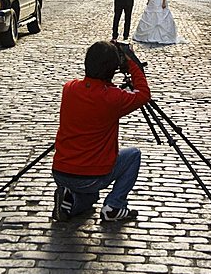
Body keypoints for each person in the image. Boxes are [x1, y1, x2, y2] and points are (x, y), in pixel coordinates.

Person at [52, 41, 151, 222]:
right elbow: (143, 94)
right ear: (112, 69)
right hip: (92, 177)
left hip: (61, 172)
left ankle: (69, 200)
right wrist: (131, 62)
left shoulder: (69, 88)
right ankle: (115, 205)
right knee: (134, 155)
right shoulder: (114, 98)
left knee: (91, 198)